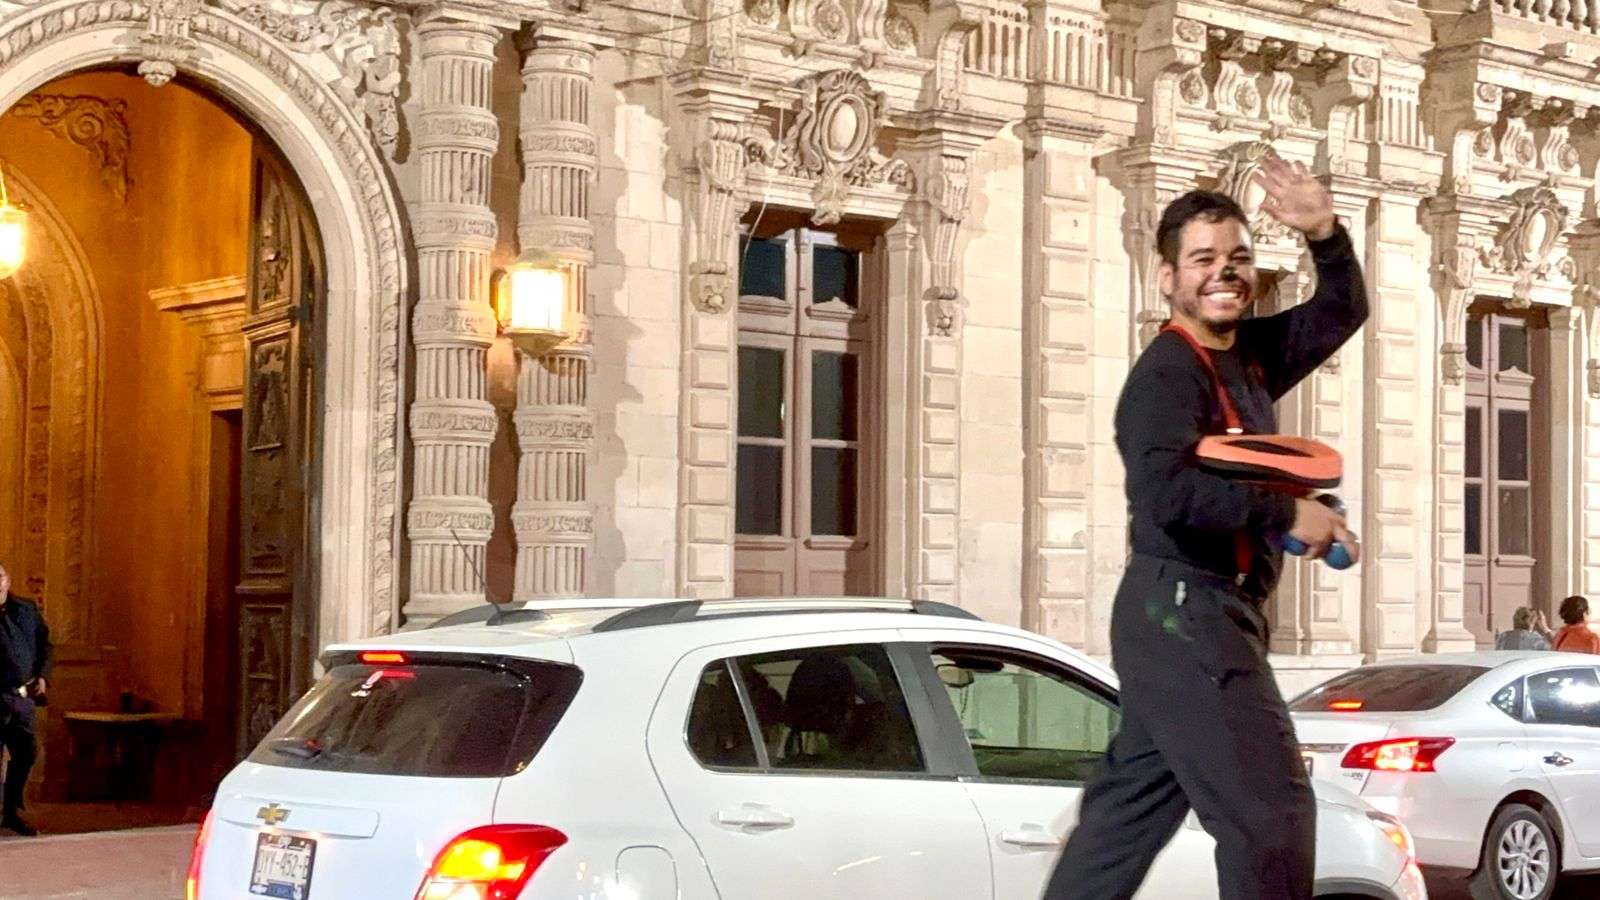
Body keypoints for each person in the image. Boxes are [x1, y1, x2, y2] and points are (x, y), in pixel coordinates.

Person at [1044, 157, 1367, 900]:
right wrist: (1285, 512)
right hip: (1187, 613)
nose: (1224, 272)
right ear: (1168, 278)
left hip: (1190, 617)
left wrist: (1323, 231)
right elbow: (1164, 494)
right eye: (1203, 259)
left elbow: (1341, 310)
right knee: (1271, 817)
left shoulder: (1250, 358)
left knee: (1120, 829)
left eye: (1238, 257)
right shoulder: (1165, 375)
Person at [0, 561, 51, 837]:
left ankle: (12, 811)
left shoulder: (26, 609)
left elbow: (45, 645)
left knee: (27, 751)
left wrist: (42, 676)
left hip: (21, 699)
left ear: (7, 580)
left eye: (0, 576)